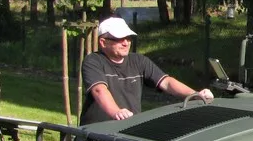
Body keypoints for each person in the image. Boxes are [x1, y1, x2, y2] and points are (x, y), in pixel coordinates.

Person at [80, 16, 213, 126]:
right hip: (97, 132)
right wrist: (116, 112)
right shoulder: (93, 61)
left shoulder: (139, 61)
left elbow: (166, 82)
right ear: (103, 42)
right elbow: (99, 90)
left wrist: (195, 94)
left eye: (128, 38)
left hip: (129, 128)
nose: (126, 43)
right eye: (119, 39)